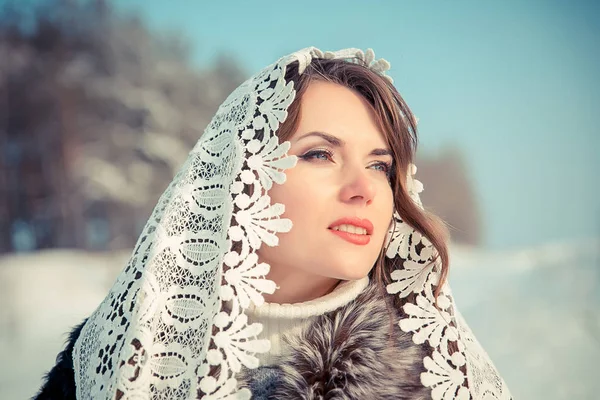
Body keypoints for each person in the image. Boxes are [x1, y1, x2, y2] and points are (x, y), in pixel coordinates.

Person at [36, 47, 512, 399]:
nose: (363, 189)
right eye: (320, 154)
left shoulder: (433, 378)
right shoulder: (116, 367)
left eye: (379, 165)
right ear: (243, 176)